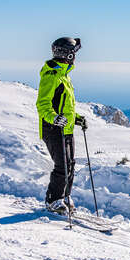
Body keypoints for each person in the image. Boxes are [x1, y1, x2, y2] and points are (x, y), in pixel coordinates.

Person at [36, 37, 87, 214]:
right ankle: (53, 200)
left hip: (66, 127)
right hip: (53, 128)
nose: (76, 56)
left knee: (70, 165)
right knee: (62, 166)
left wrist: (76, 118)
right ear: (69, 53)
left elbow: (64, 106)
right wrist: (54, 118)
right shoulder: (52, 75)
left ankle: (65, 196)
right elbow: (43, 104)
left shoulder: (64, 75)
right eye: (75, 52)